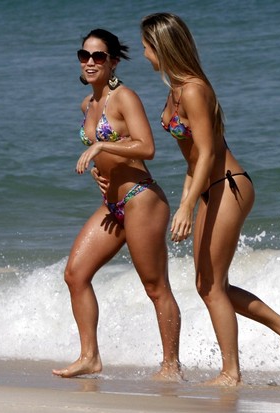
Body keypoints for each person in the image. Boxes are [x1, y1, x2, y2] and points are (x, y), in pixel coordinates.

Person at [140, 13, 280, 386]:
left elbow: (207, 152)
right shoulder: (175, 91)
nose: (144, 55)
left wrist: (187, 207)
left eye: (147, 48)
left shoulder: (194, 90)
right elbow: (193, 161)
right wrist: (187, 199)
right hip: (209, 187)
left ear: (162, 47)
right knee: (208, 285)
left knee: (213, 286)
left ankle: (231, 373)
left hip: (229, 185)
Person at [52, 28, 182, 381]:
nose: (90, 62)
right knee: (75, 275)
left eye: (98, 56)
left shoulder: (124, 97)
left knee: (155, 287)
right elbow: (106, 154)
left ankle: (171, 366)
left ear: (113, 62)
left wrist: (101, 146)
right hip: (112, 205)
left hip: (141, 199)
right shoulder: (87, 104)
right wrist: (99, 170)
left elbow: (146, 147)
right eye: (84, 55)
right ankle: (89, 357)